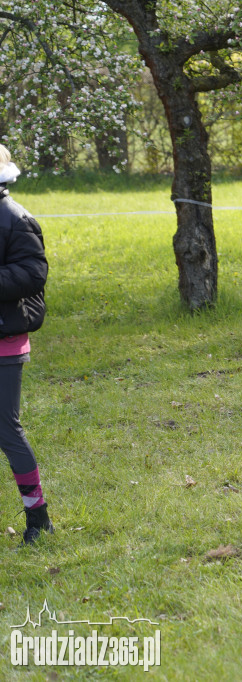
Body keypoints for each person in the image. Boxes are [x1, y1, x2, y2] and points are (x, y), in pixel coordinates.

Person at [0, 144, 52, 545]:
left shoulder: (16, 219)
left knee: (6, 430)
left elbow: (34, 273)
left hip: (5, 341)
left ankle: (38, 519)